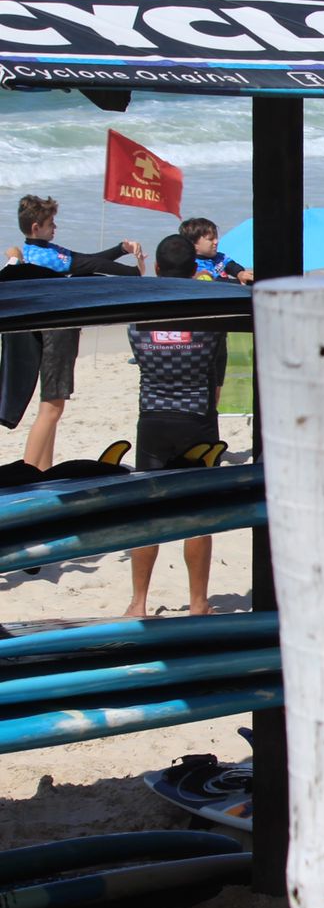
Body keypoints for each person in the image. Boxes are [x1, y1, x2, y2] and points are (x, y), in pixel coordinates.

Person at [125, 234, 225, 617]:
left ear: (158, 270)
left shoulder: (139, 321)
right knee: (198, 516)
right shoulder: (210, 321)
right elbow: (217, 362)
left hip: (152, 419)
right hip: (196, 421)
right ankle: (198, 603)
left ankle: (138, 603)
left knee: (147, 514)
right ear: (195, 271)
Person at [16, 195, 144, 469]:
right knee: (51, 409)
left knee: (52, 408)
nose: (55, 228)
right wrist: (133, 273)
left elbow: (86, 261)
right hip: (56, 333)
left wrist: (120, 248)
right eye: (51, 223)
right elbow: (91, 265)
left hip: (51, 332)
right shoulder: (45, 256)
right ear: (37, 227)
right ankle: (27, 472)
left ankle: (43, 471)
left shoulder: (37, 251)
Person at [177, 217, 253, 284]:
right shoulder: (193, 266)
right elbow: (216, 283)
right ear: (193, 244)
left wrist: (240, 273)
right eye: (210, 239)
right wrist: (240, 283)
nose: (216, 242)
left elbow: (231, 265)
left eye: (216, 238)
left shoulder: (219, 257)